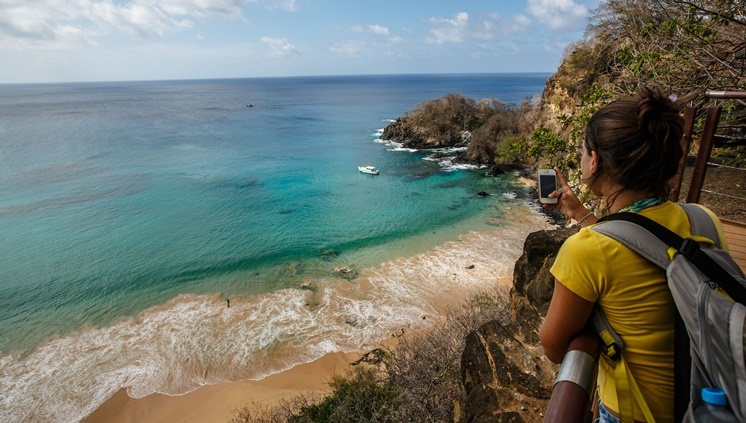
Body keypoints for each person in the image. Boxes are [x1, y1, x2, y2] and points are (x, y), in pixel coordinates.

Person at [538, 87, 727, 423]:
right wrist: (580, 214)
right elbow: (639, 243)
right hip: (708, 400)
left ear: (594, 161)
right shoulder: (702, 218)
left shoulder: (586, 251)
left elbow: (553, 347)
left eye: (583, 152)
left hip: (635, 412)